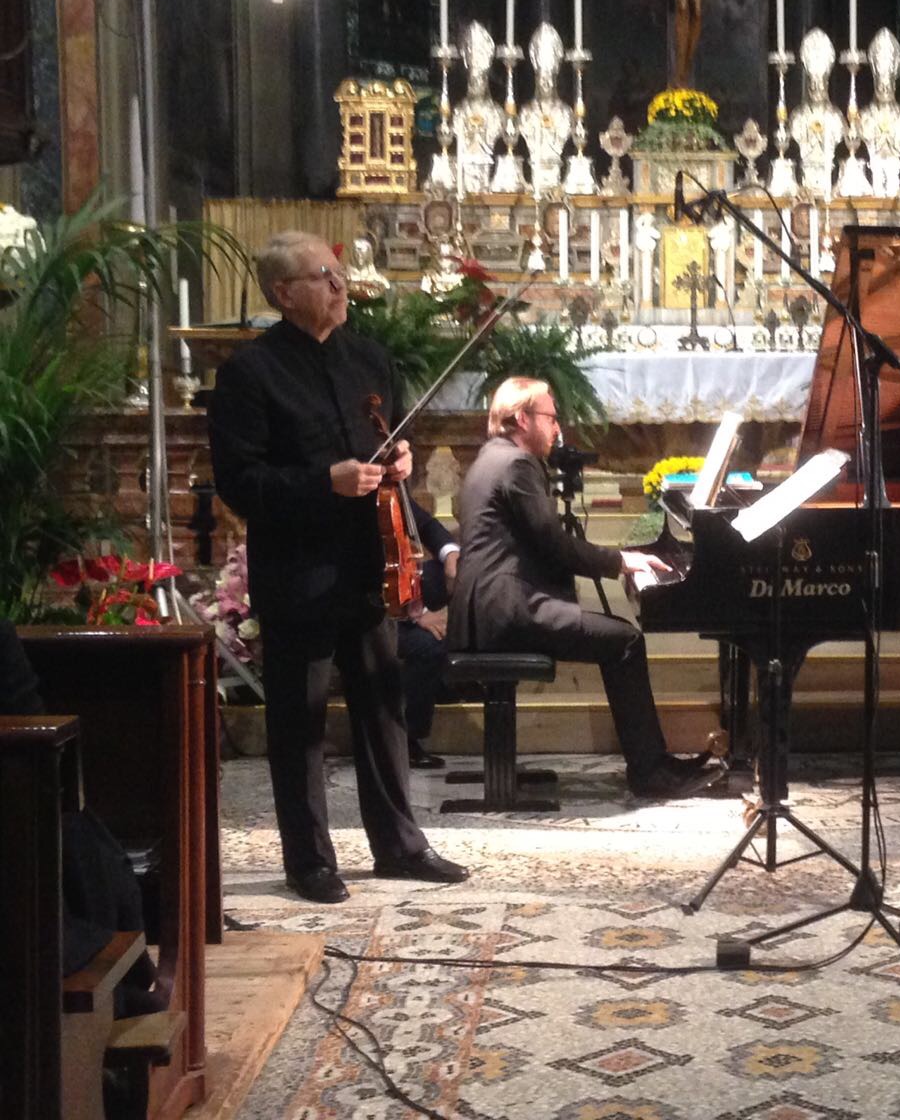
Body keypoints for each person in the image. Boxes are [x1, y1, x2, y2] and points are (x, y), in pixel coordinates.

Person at [208, 230, 469, 904]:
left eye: (338, 272)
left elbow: (392, 444)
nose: (340, 284)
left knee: (382, 707)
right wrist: (325, 481)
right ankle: (309, 861)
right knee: (299, 720)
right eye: (322, 275)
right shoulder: (250, 374)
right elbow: (240, 482)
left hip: (370, 562)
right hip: (298, 571)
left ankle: (400, 846)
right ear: (283, 293)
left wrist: (401, 460)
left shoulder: (370, 360)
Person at [447, 377, 722, 799]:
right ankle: (650, 772)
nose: (558, 428)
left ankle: (654, 764)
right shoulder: (517, 465)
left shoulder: (490, 457)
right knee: (625, 641)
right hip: (509, 612)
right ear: (522, 418)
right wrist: (620, 561)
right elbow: (555, 545)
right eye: (551, 418)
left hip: (487, 609)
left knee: (616, 635)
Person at [397, 498, 458, 770]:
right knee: (429, 645)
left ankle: (453, 677)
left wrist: (451, 556)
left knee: (466, 570)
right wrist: (417, 614)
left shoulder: (388, 487)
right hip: (370, 608)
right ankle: (407, 738)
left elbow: (427, 525)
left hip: (397, 588)